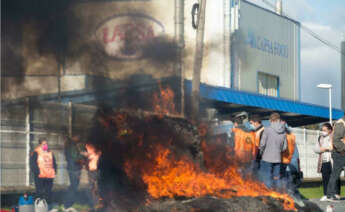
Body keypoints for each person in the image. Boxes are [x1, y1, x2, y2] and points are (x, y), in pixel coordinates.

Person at [259, 113, 287, 190]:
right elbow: (284, 147)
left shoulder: (267, 130)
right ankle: (277, 194)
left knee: (266, 177)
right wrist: (277, 150)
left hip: (266, 158)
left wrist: (261, 152)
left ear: (271, 120)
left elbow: (262, 144)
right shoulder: (284, 132)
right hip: (277, 159)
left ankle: (268, 196)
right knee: (276, 178)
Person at [314, 123, 341, 201]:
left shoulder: (335, 137)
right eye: (322, 130)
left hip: (333, 160)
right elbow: (316, 149)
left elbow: (336, 147)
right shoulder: (320, 138)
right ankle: (326, 194)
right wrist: (321, 149)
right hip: (324, 161)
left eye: (325, 130)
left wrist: (326, 148)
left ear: (329, 130)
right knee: (325, 178)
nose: (323, 132)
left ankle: (336, 194)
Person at [30, 138, 57, 207]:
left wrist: (54, 171)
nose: (46, 145)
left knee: (48, 193)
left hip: (49, 176)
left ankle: (47, 207)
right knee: (39, 192)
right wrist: (37, 172)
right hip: (40, 176)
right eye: (44, 144)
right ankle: (38, 207)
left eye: (46, 144)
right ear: (40, 144)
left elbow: (54, 163)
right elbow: (32, 164)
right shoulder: (36, 152)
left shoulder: (50, 152)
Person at [64, 135, 87, 210]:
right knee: (74, 186)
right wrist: (82, 156)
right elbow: (75, 157)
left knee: (73, 186)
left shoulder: (70, 145)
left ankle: (69, 203)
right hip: (74, 169)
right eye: (77, 136)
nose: (78, 138)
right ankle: (68, 204)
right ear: (74, 137)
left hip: (73, 168)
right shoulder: (72, 146)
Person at [326, 116, 345, 202]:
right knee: (335, 174)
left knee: (335, 174)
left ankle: (330, 194)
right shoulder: (341, 124)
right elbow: (336, 140)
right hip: (340, 153)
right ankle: (330, 195)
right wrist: (342, 150)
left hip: (340, 152)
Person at [85, 143, 102, 210]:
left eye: (88, 148)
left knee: (97, 186)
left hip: (96, 171)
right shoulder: (89, 156)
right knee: (91, 187)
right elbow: (87, 163)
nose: (88, 149)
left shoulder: (97, 154)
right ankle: (93, 203)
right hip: (91, 172)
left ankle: (98, 201)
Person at [280, 120, 296, 192]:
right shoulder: (292, 135)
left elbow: (282, 147)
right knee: (284, 176)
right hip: (287, 159)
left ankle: (283, 192)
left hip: (282, 159)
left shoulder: (285, 136)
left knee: (280, 177)